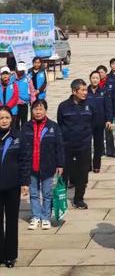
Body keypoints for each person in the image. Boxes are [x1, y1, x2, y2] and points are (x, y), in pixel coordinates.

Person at [22, 99, 64, 230]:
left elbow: (59, 146)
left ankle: (46, 217)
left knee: (47, 194)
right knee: (33, 193)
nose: (38, 112)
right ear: (32, 111)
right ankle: (36, 216)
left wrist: (60, 164)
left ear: (45, 110)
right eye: (36, 109)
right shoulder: (26, 127)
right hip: (31, 166)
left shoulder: (53, 126)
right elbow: (22, 147)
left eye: (41, 109)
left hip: (48, 165)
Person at [57, 78, 96, 209]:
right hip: (67, 146)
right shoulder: (63, 106)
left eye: (86, 90)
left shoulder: (90, 104)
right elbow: (60, 125)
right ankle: (60, 199)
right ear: (74, 91)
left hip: (84, 145)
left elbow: (93, 122)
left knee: (83, 174)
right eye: (83, 90)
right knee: (64, 173)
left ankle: (79, 198)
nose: (86, 92)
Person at [0, 106, 29, 268]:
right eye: (1, 118)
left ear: (12, 119)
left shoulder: (18, 137)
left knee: (11, 221)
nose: (4, 121)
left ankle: (10, 256)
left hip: (12, 185)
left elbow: (25, 160)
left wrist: (25, 182)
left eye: (6, 118)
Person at [87, 71, 113, 173]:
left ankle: (96, 165)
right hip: (87, 122)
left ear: (99, 79)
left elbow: (108, 107)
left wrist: (109, 120)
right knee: (87, 144)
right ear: (90, 79)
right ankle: (87, 165)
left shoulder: (104, 91)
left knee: (98, 144)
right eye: (93, 78)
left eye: (97, 78)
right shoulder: (85, 91)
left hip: (99, 122)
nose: (95, 80)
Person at [11, 62, 34, 130]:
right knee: (15, 123)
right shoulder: (12, 79)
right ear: (16, 69)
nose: (21, 72)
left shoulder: (28, 78)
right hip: (15, 105)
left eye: (22, 70)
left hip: (24, 104)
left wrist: (33, 102)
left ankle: (24, 137)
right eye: (19, 70)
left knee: (24, 122)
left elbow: (32, 91)